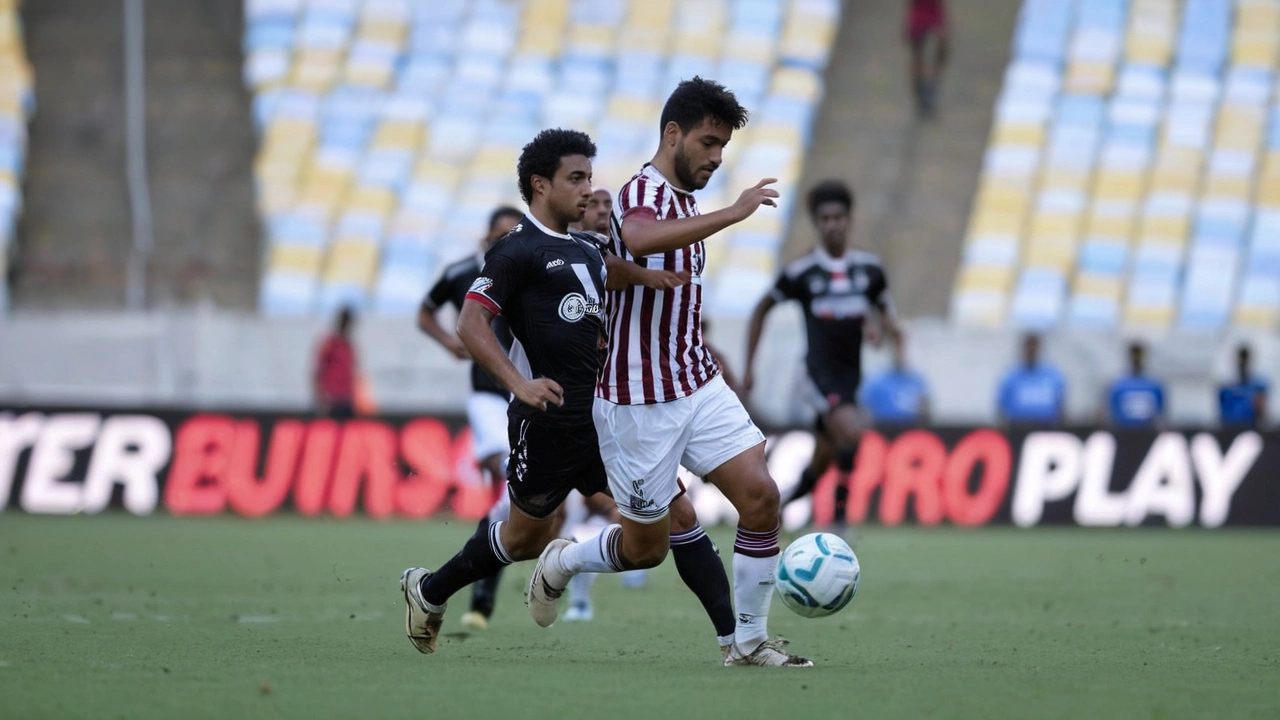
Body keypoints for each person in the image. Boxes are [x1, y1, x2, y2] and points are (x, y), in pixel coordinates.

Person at [400, 129, 736, 661]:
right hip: (549, 422)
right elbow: (470, 323)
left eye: (590, 178)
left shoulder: (585, 246)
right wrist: (520, 383)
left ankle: (739, 642)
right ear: (540, 185)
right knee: (522, 540)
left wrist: (650, 278)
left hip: (608, 419)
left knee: (679, 518)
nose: (587, 190)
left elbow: (610, 270)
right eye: (576, 179)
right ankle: (429, 591)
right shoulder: (515, 250)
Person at [529, 77, 813, 667]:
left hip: (696, 381)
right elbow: (634, 236)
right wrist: (732, 213)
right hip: (637, 403)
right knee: (644, 550)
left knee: (760, 496)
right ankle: (564, 560)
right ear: (673, 133)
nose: (715, 157)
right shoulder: (643, 193)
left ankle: (750, 642)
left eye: (723, 149)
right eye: (708, 143)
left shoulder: (684, 203)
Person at [743, 180, 899, 527]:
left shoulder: (870, 270)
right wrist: (750, 367)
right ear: (817, 222)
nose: (832, 225)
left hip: (849, 377)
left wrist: (878, 326)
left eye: (838, 218)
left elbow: (883, 308)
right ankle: (840, 521)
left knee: (824, 458)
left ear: (849, 219)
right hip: (816, 373)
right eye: (825, 218)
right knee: (852, 432)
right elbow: (760, 309)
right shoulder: (802, 273)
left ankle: (778, 510)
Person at [417, 205, 523, 631]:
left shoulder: (528, 271)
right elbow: (425, 312)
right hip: (486, 394)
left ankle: (482, 583)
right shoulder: (463, 272)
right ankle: (481, 590)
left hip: (525, 393)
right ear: (484, 239)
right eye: (498, 235)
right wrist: (448, 342)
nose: (504, 242)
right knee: (509, 474)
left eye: (511, 235)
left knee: (512, 498)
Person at [997, 333, 1066, 426]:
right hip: (1018, 428)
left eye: (1034, 346)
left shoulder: (1052, 375)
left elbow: (1060, 404)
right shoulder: (1011, 376)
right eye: (1029, 346)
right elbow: (1002, 407)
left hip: (1047, 427)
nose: (1031, 350)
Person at [862, 335, 930, 426]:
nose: (900, 352)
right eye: (896, 348)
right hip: (884, 431)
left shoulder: (917, 380)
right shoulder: (876, 382)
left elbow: (926, 410)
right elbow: (866, 412)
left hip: (911, 432)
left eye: (902, 348)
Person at [1104, 341, 1165, 429]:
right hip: (1123, 433)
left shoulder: (1154, 386)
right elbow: (1111, 414)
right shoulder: (1118, 386)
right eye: (1134, 355)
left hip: (1147, 433)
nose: (1136, 358)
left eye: (1139, 355)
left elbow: (1160, 414)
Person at [313, 306, 358, 419]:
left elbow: (351, 372)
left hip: (347, 398)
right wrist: (321, 398)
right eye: (344, 321)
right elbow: (318, 371)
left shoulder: (348, 345)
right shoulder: (330, 344)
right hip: (332, 398)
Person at [906, 0, 948, 118]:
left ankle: (928, 91)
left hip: (930, 16)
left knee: (936, 56)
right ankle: (922, 92)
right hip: (922, 16)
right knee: (918, 57)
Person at [1218, 344, 1268, 428]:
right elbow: (1221, 413)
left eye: (1244, 358)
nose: (1242, 362)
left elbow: (1261, 413)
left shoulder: (1258, 387)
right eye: (1240, 358)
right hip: (1229, 429)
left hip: (1251, 429)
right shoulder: (1226, 389)